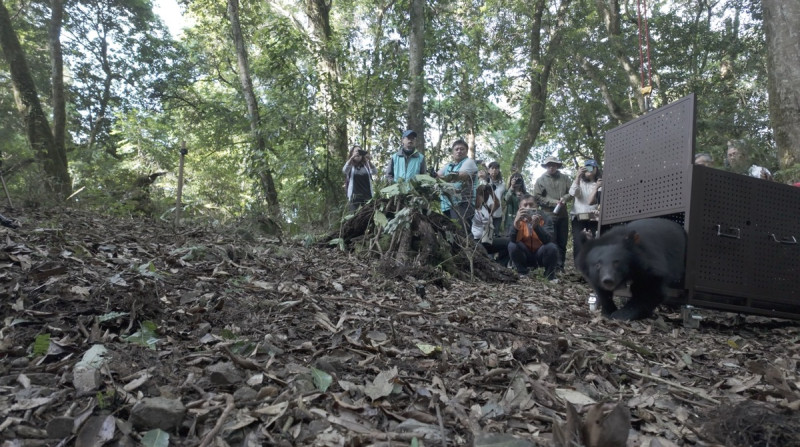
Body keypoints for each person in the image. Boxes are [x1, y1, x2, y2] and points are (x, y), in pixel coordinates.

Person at [507, 194, 560, 281]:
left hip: (540, 253)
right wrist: (516, 223)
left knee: (552, 247)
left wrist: (536, 227)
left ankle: (550, 275)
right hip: (525, 253)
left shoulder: (545, 218)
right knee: (512, 245)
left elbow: (549, 240)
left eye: (531, 205)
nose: (528, 208)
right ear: (520, 207)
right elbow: (512, 239)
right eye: (525, 205)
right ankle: (522, 272)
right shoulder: (516, 219)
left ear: (537, 206)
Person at [532, 156, 572, 271]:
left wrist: (564, 198)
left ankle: (560, 266)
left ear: (557, 166)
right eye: (549, 165)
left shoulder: (565, 178)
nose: (551, 167)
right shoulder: (540, 180)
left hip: (563, 214)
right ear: (546, 166)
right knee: (550, 241)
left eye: (553, 164)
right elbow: (537, 197)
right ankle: (551, 266)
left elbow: (572, 192)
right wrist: (553, 202)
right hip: (548, 215)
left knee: (562, 242)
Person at [438, 139, 479, 233]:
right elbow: (437, 175)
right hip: (447, 204)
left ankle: (472, 248)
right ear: (452, 152)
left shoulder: (469, 162)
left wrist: (441, 178)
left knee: (461, 232)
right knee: (452, 233)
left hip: (464, 203)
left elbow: (460, 176)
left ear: (466, 151)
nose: (459, 151)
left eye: (462, 149)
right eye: (456, 149)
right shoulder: (449, 165)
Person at [569, 159, 602, 264]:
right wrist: (578, 176)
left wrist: (597, 186)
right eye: (587, 167)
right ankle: (579, 268)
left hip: (594, 217)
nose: (590, 170)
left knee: (592, 241)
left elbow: (599, 200)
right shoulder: (580, 182)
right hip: (578, 217)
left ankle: (591, 266)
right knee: (579, 242)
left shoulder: (599, 183)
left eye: (592, 167)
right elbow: (573, 193)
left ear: (596, 169)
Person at [471, 185, 510, 266]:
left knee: (508, 242)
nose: (485, 197)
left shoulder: (485, 207)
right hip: (477, 241)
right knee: (487, 259)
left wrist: (492, 193)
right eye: (483, 194)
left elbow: (497, 204)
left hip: (488, 240)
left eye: (486, 195)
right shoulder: (472, 209)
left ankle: (501, 265)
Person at [342, 145, 377, 212]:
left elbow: (375, 172)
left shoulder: (366, 165)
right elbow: (345, 170)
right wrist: (352, 157)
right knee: (354, 217)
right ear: (352, 153)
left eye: (359, 152)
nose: (358, 154)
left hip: (367, 196)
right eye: (356, 152)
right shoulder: (350, 166)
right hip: (354, 197)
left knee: (367, 216)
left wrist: (369, 161)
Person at [481, 161, 506, 236]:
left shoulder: (502, 184)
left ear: (498, 171)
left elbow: (500, 195)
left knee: (495, 234)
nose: (494, 170)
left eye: (496, 168)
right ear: (489, 170)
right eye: (492, 168)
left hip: (497, 212)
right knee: (484, 234)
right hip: (485, 211)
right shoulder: (484, 181)